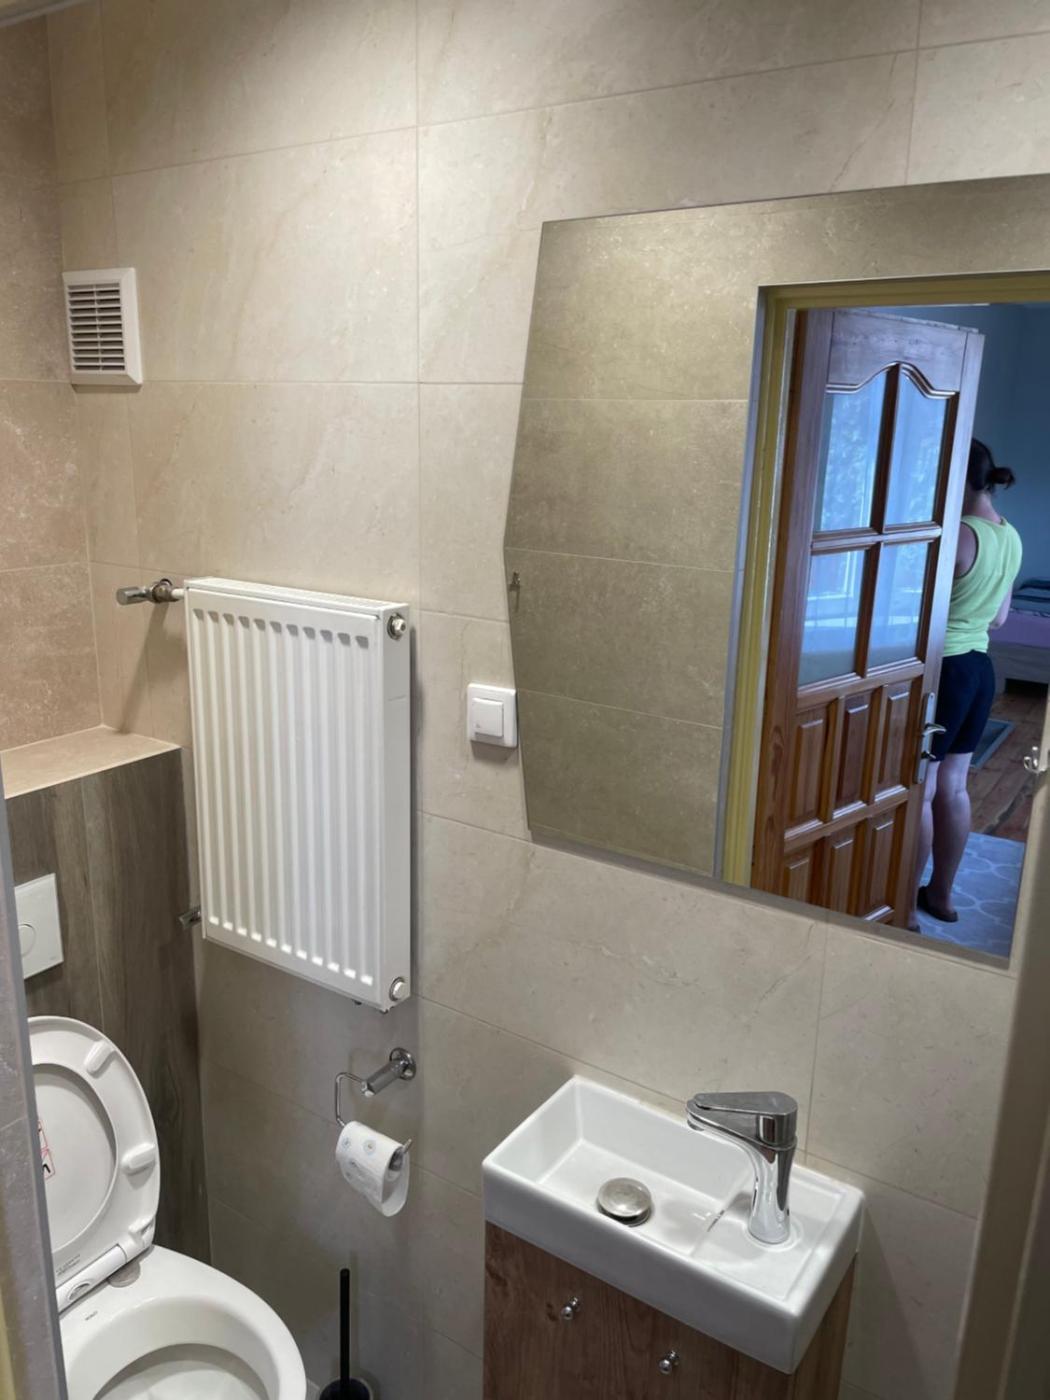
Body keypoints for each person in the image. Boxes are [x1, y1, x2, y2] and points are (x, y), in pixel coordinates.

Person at [911, 439, 1023, 929]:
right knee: (954, 786)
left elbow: (915, 610)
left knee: (922, 788)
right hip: (980, 670)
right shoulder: (1010, 535)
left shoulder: (957, 535)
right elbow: (998, 619)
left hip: (946, 670)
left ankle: (901, 905)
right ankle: (941, 895)